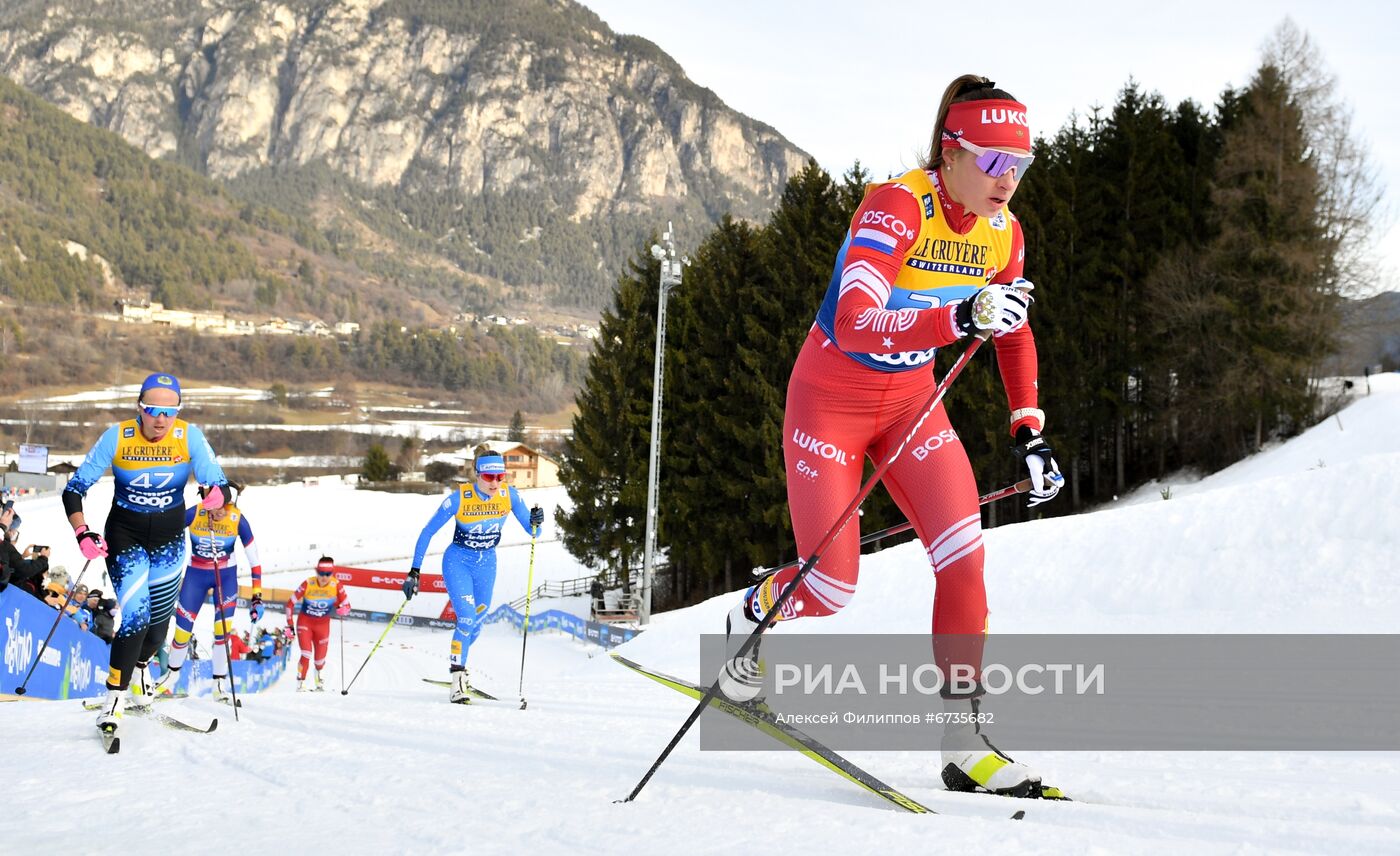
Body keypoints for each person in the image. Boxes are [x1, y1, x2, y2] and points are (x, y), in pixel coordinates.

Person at [720, 76, 1065, 799]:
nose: (1009, 181)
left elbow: (1014, 331)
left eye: (1022, 165)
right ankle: (753, 613)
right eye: (994, 162)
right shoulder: (895, 207)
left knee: (965, 554)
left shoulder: (1005, 235)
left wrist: (1029, 432)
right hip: (829, 405)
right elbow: (854, 322)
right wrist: (957, 319)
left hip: (912, 406)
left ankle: (964, 743)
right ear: (952, 153)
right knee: (834, 586)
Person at [63, 371, 232, 735]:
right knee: (135, 616)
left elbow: (218, 484)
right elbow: (74, 489)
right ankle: (114, 698)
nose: (160, 419)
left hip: (170, 540)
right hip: (125, 535)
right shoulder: (118, 436)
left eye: (169, 412)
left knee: (156, 632)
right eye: (153, 410)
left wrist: (216, 496)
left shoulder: (189, 437)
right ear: (139, 407)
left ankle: (140, 668)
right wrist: (82, 531)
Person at [403, 446, 543, 704]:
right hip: (458, 562)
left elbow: (533, 531)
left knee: (477, 621)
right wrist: (415, 570)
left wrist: (537, 521)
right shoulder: (459, 498)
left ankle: (461, 665)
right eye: (490, 477)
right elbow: (427, 532)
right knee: (466, 618)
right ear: (477, 475)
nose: (495, 482)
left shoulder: (510, 496)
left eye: (501, 476)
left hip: (487, 564)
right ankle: (457, 679)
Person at [162, 489, 262, 701]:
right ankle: (171, 676)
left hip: (224, 580)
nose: (221, 513)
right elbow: (166, 529)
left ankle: (219, 684)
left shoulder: (237, 518)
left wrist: (257, 597)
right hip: (195, 578)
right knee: (182, 631)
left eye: (226, 507)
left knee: (221, 632)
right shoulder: (195, 512)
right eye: (217, 508)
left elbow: (255, 560)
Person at [286, 556, 350, 691]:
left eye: (328, 574)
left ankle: (319, 682)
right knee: (306, 653)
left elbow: (347, 605)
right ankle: (300, 683)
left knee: (319, 660)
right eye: (321, 573)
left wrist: (344, 609)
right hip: (305, 623)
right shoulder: (308, 583)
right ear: (317, 572)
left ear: (332, 573)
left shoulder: (336, 585)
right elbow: (290, 604)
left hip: (323, 626)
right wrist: (290, 626)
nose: (324, 577)